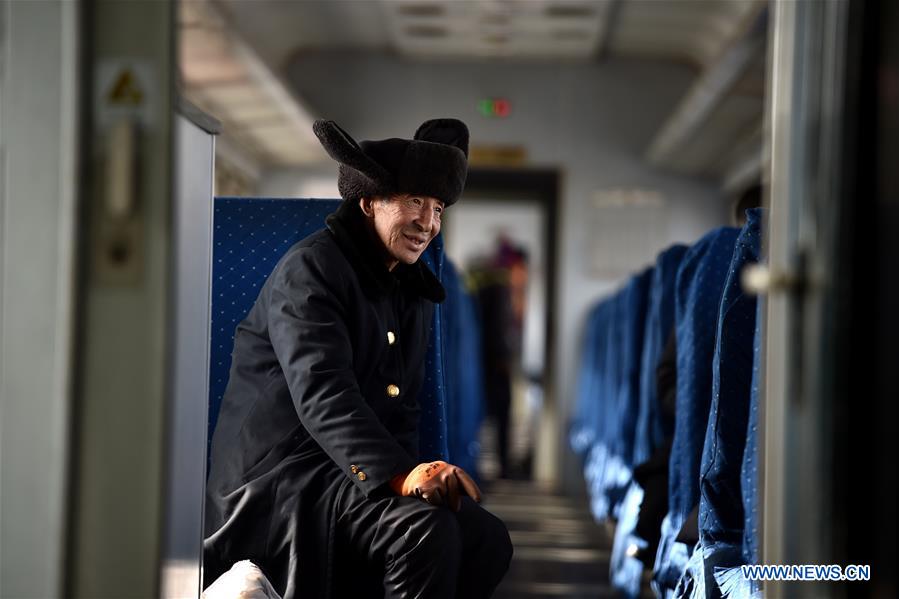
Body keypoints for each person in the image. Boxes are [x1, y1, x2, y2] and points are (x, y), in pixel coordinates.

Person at [203, 118, 513, 599]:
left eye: (437, 209)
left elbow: (402, 411)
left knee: (486, 540)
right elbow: (324, 395)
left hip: (346, 476)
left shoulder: (409, 290)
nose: (428, 224)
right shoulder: (311, 271)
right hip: (282, 484)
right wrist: (400, 474)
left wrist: (413, 478)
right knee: (423, 533)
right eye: (414, 202)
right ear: (369, 201)